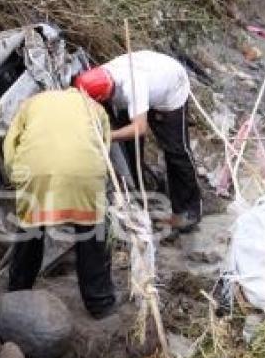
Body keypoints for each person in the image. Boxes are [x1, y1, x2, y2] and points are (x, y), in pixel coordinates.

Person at [3, 88, 116, 318]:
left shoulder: (29, 103)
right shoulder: (93, 106)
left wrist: (15, 176)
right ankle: (100, 303)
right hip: (84, 172)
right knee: (92, 234)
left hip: (36, 171)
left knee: (30, 233)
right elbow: (105, 146)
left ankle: (17, 292)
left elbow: (9, 145)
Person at [74, 50, 202, 232]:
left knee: (176, 151)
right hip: (148, 79)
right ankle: (137, 196)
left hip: (170, 87)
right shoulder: (97, 77)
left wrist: (108, 136)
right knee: (129, 148)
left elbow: (139, 128)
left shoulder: (132, 86)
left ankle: (188, 211)